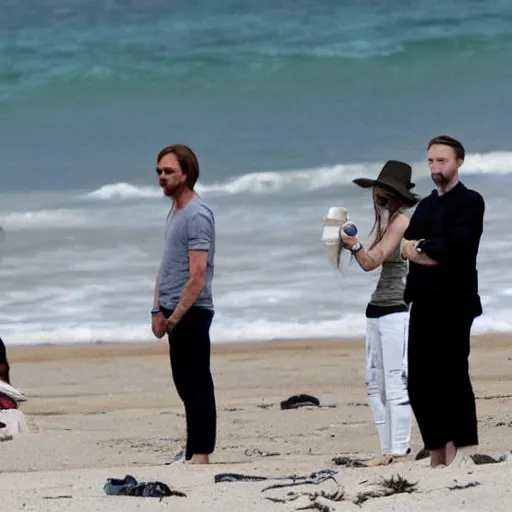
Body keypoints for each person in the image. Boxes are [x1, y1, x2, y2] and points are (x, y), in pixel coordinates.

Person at [401, 135, 485, 468]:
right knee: (420, 381)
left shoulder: (470, 202)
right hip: (422, 300)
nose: (436, 168)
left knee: (451, 375)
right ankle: (437, 452)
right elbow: (408, 247)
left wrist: (422, 249)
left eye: (443, 161)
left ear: (459, 162)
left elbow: (454, 250)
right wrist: (421, 249)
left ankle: (461, 452)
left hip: (455, 301)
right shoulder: (425, 206)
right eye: (431, 161)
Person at [340, 160, 419, 465]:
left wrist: (355, 244)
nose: (377, 199)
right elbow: (365, 259)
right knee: (374, 384)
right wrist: (344, 242)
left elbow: (373, 259)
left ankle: (398, 449)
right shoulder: (385, 221)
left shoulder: (402, 221)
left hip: (396, 308)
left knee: (395, 379)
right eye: (376, 194)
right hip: (376, 309)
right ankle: (387, 449)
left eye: (382, 195)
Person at [151, 144, 216, 465]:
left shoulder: (197, 214)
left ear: (187, 174)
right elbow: (166, 266)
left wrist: (175, 316)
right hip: (171, 311)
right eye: (159, 172)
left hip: (192, 311)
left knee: (197, 384)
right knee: (184, 385)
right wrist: (156, 309)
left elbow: (198, 275)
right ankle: (192, 449)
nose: (162, 177)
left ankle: (201, 455)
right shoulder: (175, 211)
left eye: (169, 172)